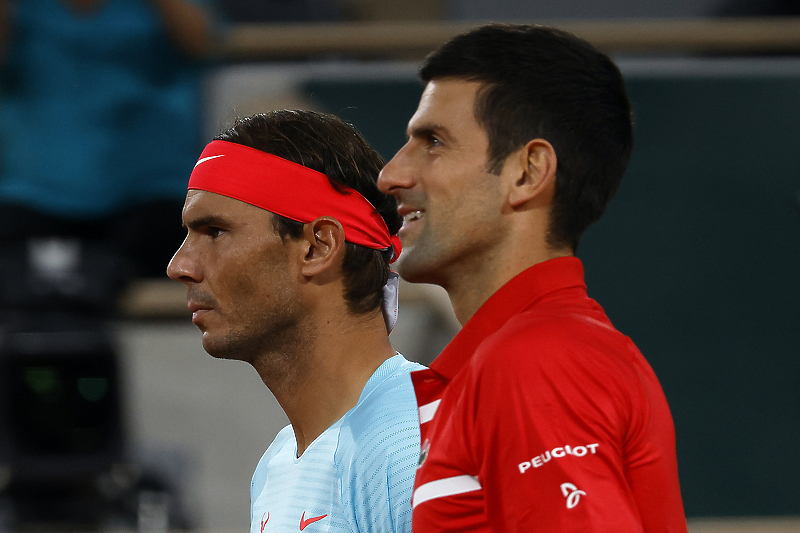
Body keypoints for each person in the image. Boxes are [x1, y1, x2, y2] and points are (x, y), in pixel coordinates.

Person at [377, 24, 687, 532]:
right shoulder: (520, 360)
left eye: (432, 141)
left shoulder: (535, 361)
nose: (390, 174)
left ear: (527, 172)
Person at [167, 110, 423, 532]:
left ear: (317, 247)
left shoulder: (413, 440)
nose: (180, 265)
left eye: (214, 231)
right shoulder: (277, 465)